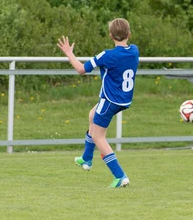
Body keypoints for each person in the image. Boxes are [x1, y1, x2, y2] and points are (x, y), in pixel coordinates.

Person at [56, 18, 140, 187]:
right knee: (92, 115)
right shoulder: (134, 51)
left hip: (110, 100)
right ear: (129, 34)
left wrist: (69, 53)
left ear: (110, 35)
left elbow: (81, 70)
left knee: (98, 137)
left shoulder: (107, 55)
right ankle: (86, 159)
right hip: (124, 99)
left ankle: (120, 176)